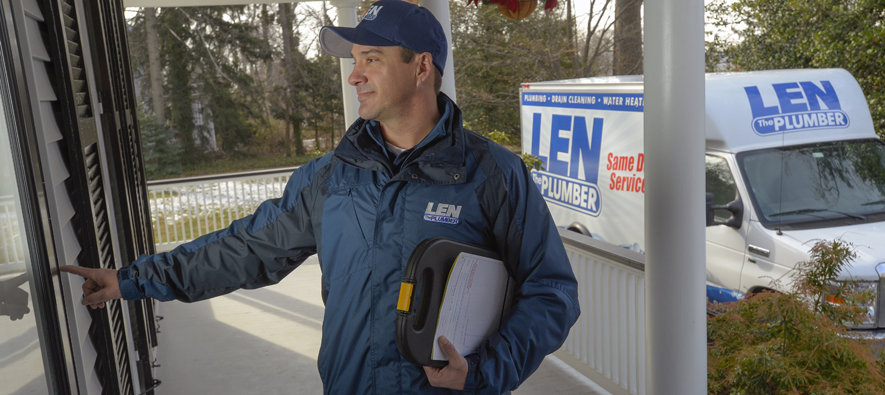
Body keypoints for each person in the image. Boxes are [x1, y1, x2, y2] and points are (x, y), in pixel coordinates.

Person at [60, 1, 580, 393]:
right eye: (355, 59)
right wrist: (132, 279)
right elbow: (247, 248)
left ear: (421, 67)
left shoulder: (492, 174)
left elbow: (552, 291)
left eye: (370, 59)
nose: (354, 74)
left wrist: (484, 374)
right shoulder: (332, 177)